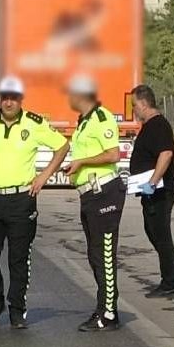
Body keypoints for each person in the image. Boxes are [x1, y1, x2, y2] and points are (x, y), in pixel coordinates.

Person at [0, 76, 70, 329]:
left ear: (21, 99)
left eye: (13, 98)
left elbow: (62, 147)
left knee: (18, 258)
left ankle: (17, 308)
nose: (8, 102)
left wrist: (44, 176)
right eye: (4, 97)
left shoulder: (34, 123)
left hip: (22, 199)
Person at [64, 74, 126, 332]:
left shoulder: (102, 118)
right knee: (94, 255)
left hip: (104, 193)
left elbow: (113, 153)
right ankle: (103, 307)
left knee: (105, 254)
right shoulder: (83, 122)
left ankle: (109, 314)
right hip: (88, 194)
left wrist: (82, 162)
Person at [129, 84, 174, 298]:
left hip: (160, 190)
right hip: (151, 190)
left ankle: (170, 280)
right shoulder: (150, 125)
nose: (133, 111)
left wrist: (153, 182)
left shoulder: (158, 125)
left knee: (160, 233)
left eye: (134, 106)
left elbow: (165, 155)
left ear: (144, 104)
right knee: (152, 230)